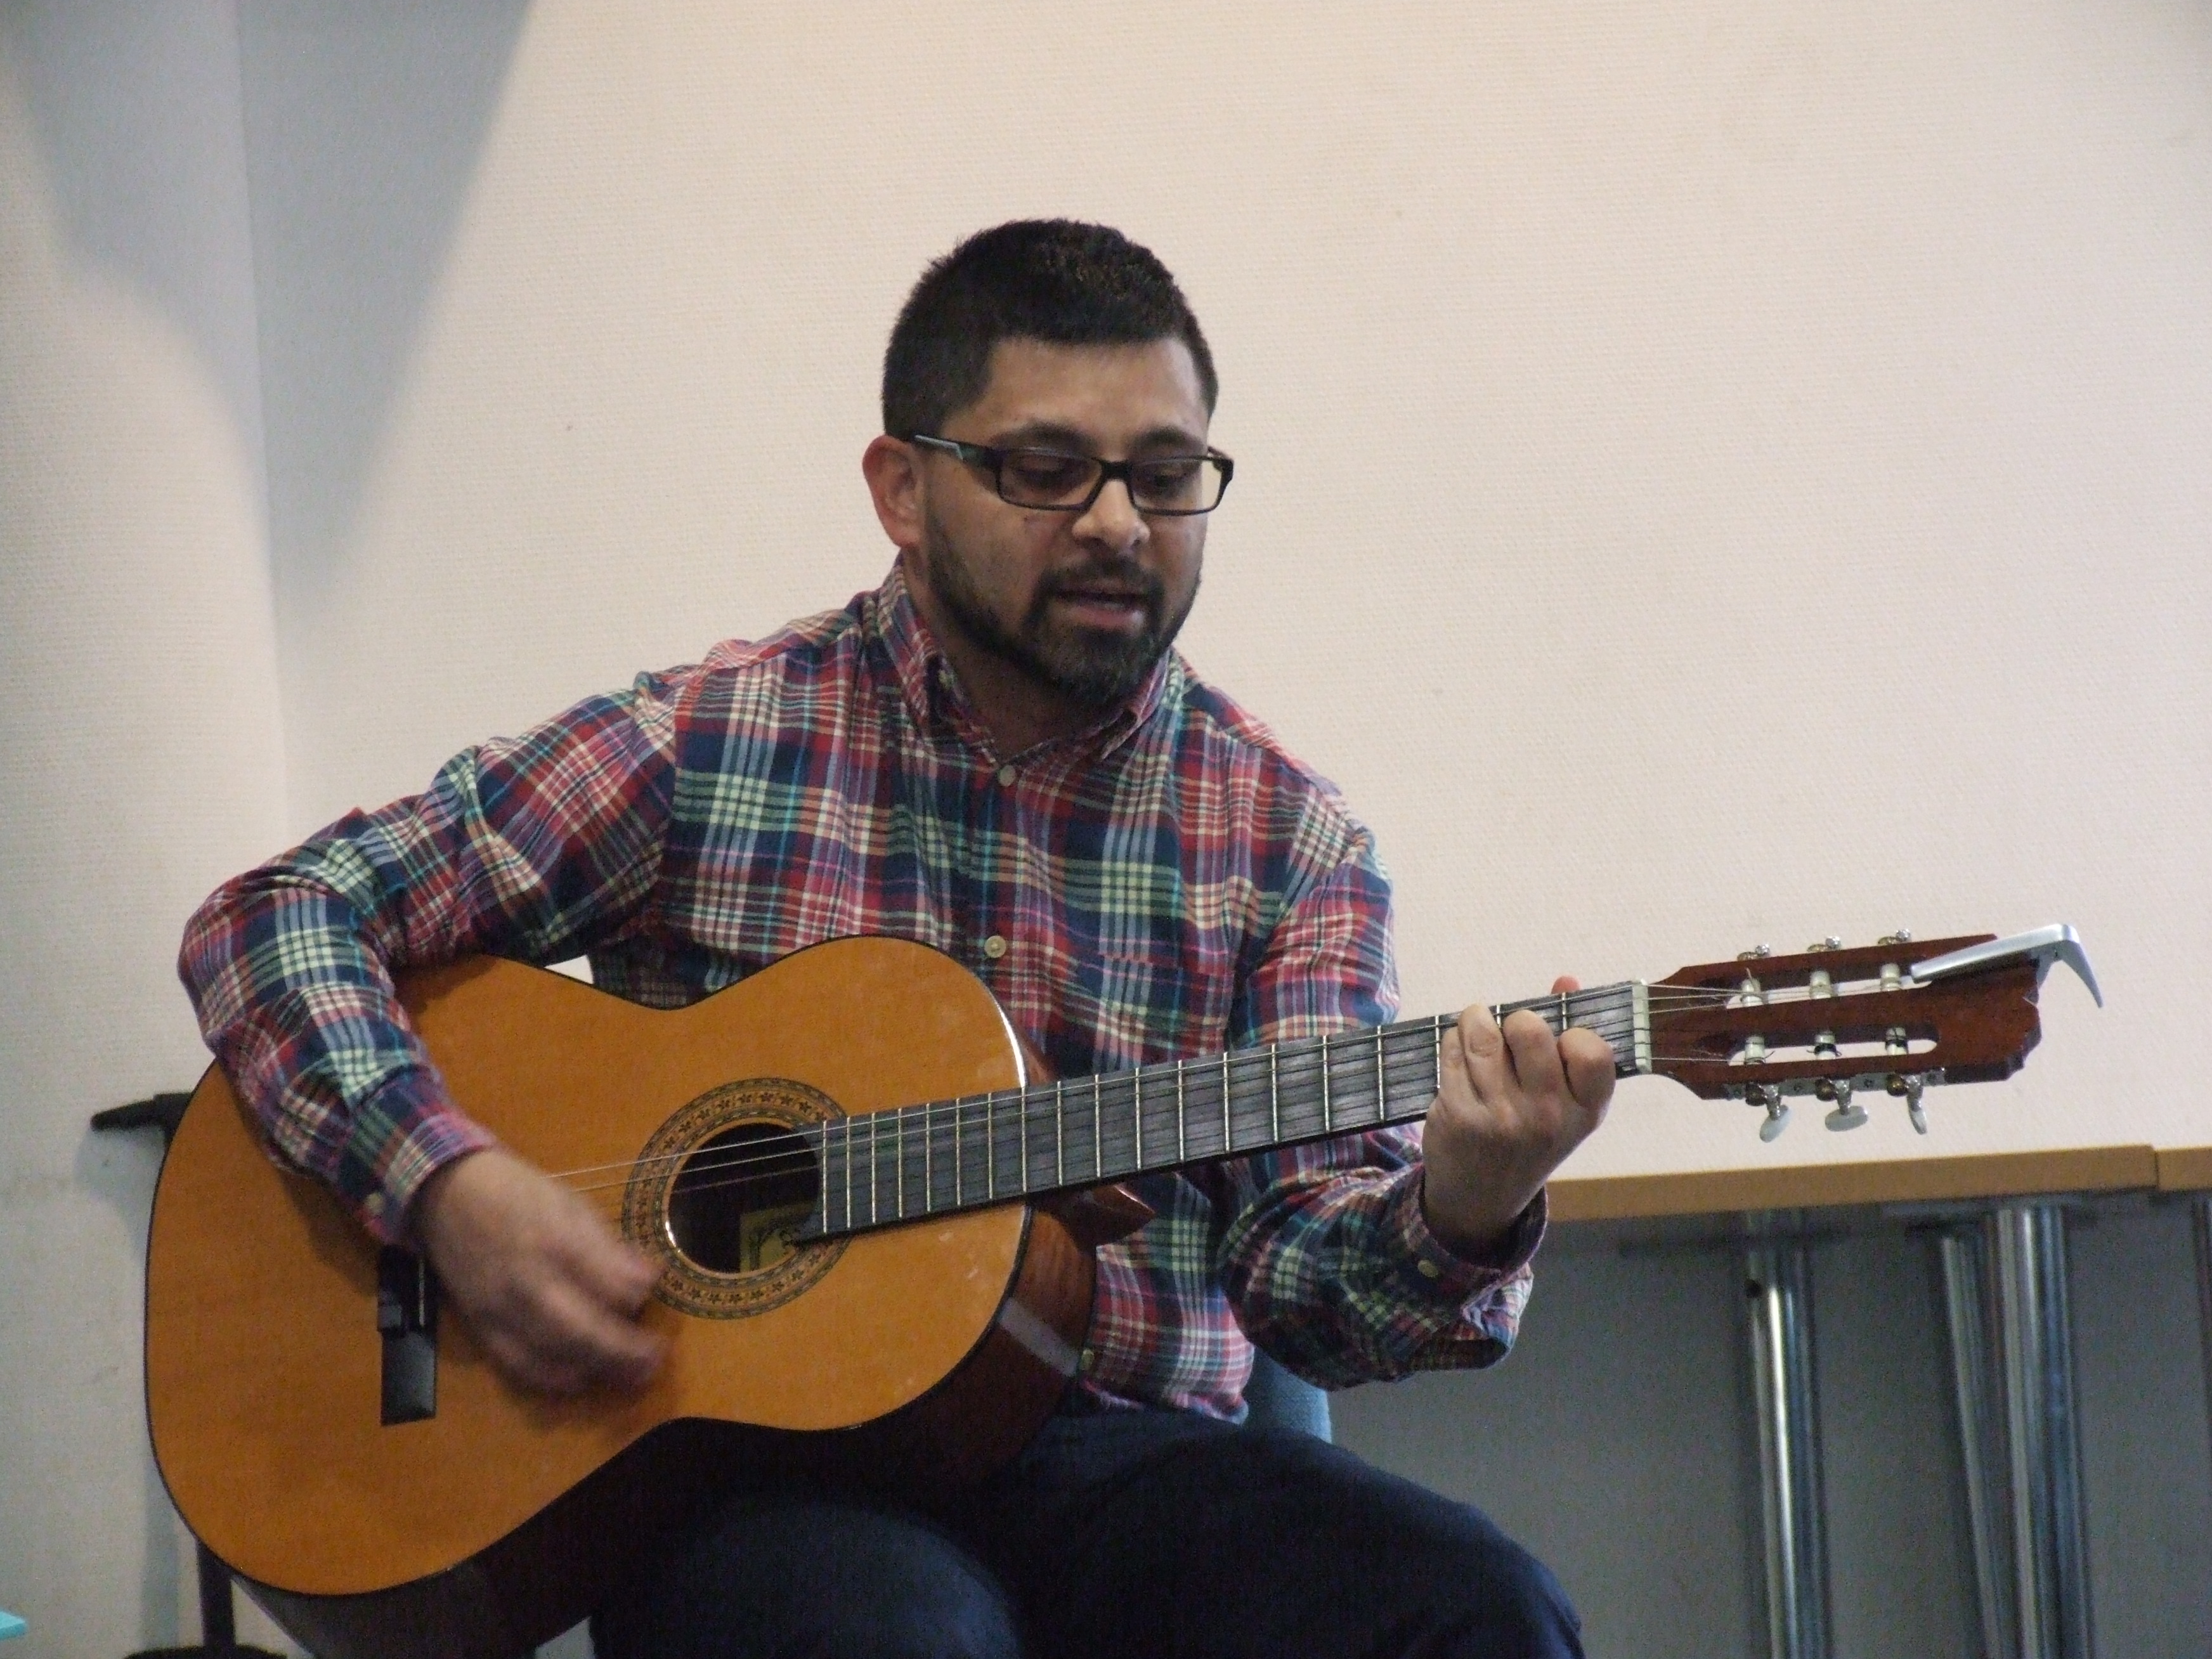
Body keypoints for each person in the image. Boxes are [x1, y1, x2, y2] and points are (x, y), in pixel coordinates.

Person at [180, 219, 1615, 1658]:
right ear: (903, 489)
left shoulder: (1288, 841)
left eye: (1166, 475)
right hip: (755, 1480)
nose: (1119, 523)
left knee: (1479, 1609)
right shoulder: (715, 740)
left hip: (1127, 1469)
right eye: (1047, 470)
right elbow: (279, 915)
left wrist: (1462, 1206)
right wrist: (448, 1188)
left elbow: (1313, 1297)